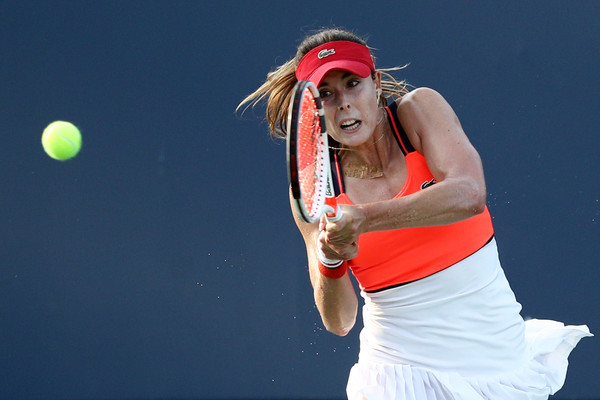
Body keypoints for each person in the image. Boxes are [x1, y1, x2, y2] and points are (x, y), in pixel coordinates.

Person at [238, 27, 592, 400]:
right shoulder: (319, 191)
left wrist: (365, 219)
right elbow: (339, 321)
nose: (342, 103)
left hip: (500, 364)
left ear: (375, 84)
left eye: (352, 84)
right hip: (396, 376)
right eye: (325, 94)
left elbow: (469, 194)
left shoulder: (419, 111)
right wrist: (329, 256)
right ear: (313, 108)